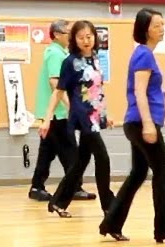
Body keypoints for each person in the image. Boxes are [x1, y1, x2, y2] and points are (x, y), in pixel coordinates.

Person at [98, 8, 165, 243]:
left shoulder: (145, 54)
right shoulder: (144, 55)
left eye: (163, 24)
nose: (162, 29)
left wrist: (163, 94)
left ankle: (111, 223)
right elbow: (138, 91)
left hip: (137, 122)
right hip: (141, 122)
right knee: (162, 172)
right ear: (146, 30)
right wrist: (148, 124)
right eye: (157, 25)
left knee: (138, 173)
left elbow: (144, 88)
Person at [43, 20, 115, 217]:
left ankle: (58, 202)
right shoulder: (70, 62)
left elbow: (97, 90)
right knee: (103, 158)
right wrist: (47, 118)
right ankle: (109, 205)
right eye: (81, 37)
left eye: (89, 36)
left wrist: (104, 115)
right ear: (74, 39)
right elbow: (58, 91)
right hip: (82, 116)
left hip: (94, 115)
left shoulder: (95, 58)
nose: (86, 40)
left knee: (80, 162)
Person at [28, 19, 89, 202]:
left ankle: (37, 187)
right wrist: (71, 106)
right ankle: (73, 188)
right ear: (56, 34)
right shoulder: (55, 54)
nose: (71, 37)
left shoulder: (59, 52)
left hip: (54, 112)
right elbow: (55, 83)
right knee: (71, 151)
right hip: (58, 112)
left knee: (47, 152)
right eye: (68, 33)